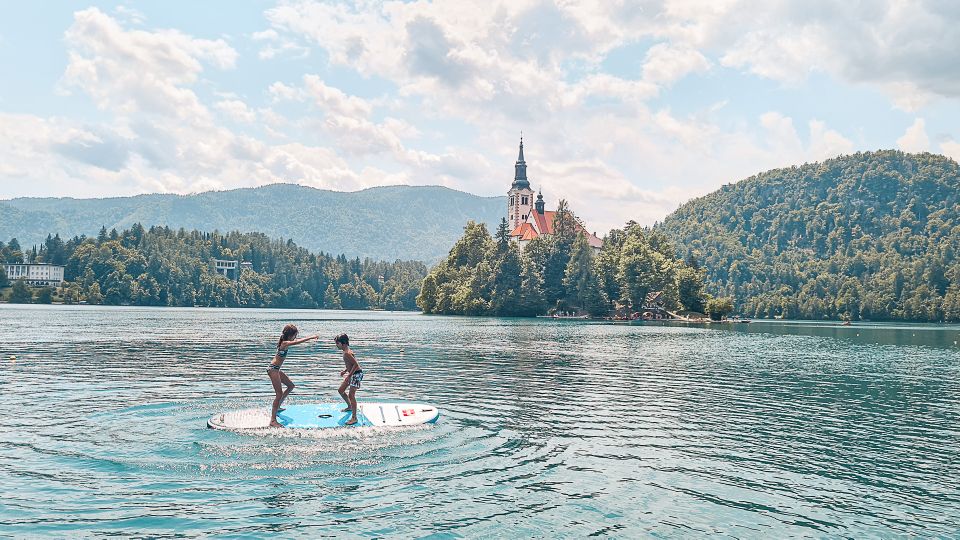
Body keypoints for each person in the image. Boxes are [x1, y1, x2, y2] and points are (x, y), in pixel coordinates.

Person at [267, 324, 319, 428]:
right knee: (279, 394)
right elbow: (296, 342)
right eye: (295, 335)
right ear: (291, 335)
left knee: (290, 386)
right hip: (273, 370)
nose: (295, 337)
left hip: (276, 369)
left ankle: (278, 406)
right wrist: (311, 337)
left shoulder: (285, 342)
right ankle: (273, 420)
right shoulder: (285, 343)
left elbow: (294, 341)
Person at [334, 333, 363, 425]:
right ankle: (350, 406)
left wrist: (349, 375)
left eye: (337, 343)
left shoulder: (347, 353)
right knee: (341, 390)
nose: (336, 345)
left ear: (344, 343)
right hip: (352, 373)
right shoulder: (347, 352)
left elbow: (356, 365)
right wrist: (345, 371)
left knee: (351, 395)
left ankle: (354, 418)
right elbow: (351, 364)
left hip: (356, 374)